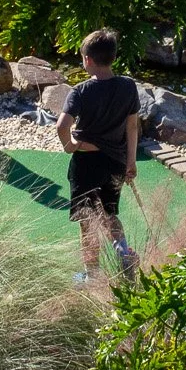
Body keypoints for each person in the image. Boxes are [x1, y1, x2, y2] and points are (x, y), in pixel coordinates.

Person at [56, 28, 141, 282]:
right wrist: (131, 162)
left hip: (87, 164)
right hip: (115, 162)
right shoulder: (128, 86)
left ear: (88, 60)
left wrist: (70, 145)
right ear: (112, 57)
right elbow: (132, 126)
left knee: (87, 220)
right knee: (109, 214)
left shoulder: (80, 91)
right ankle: (124, 255)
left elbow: (62, 126)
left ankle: (92, 275)